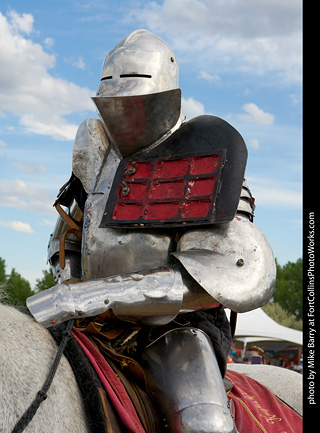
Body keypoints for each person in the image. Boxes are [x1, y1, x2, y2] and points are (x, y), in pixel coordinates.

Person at [27, 29, 276, 433]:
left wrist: (83, 297)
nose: (121, 104)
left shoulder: (205, 160)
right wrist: (68, 286)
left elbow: (220, 275)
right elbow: (68, 235)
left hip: (175, 328)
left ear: (165, 93)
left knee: (203, 423)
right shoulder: (98, 157)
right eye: (110, 90)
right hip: (90, 323)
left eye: (134, 90)